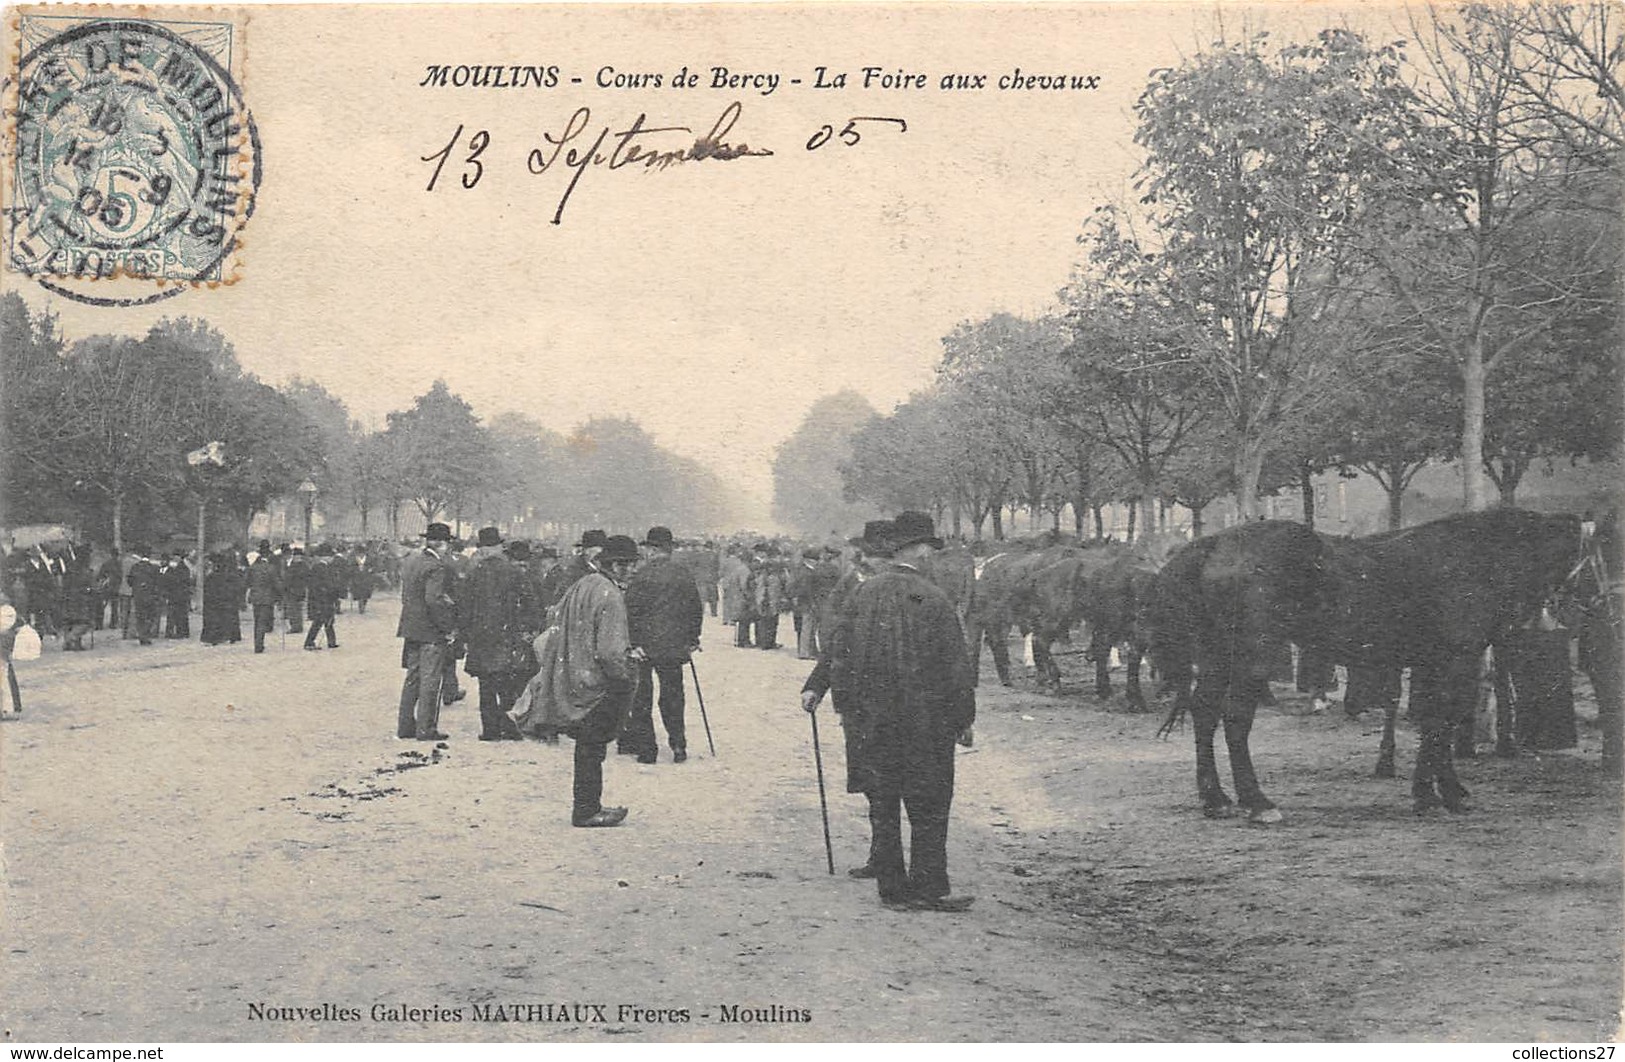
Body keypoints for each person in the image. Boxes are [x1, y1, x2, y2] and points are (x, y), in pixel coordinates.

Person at [812, 511, 976, 913]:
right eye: (928, 549)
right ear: (917, 551)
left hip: (874, 722)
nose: (931, 557)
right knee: (930, 807)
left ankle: (892, 889)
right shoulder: (933, 598)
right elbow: (956, 665)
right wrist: (963, 718)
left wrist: (817, 688)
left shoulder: (863, 594)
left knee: (884, 806)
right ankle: (929, 886)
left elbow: (837, 648)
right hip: (926, 723)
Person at [801, 520, 890, 878]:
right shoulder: (850, 587)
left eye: (879, 554)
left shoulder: (918, 589)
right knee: (873, 783)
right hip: (860, 704)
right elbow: (838, 642)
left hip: (905, 703)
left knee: (905, 783)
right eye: (869, 554)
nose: (870, 560)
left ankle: (911, 865)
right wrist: (816, 685)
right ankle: (882, 855)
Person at [552, 534, 642, 827]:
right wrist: (625, 673)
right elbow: (610, 651)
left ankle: (586, 805)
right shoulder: (611, 595)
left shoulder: (583, 584)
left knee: (585, 747)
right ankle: (588, 809)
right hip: (600, 683)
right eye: (628, 566)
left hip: (576, 675)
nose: (631, 571)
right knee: (594, 747)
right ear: (616, 566)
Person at [621, 525, 704, 764]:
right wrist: (691, 639)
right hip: (674, 647)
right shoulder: (683, 574)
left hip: (645, 647)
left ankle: (648, 750)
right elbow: (694, 610)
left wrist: (633, 642)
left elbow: (631, 612)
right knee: (673, 696)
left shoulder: (641, 576)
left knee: (642, 697)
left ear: (652, 549)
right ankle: (678, 745)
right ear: (669, 549)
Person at [460, 527, 529, 741]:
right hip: (508, 636)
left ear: (482, 548)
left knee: (486, 685)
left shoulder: (474, 572)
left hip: (481, 637)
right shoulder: (514, 571)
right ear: (499, 547)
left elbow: (464, 607)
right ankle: (510, 727)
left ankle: (490, 730)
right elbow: (527, 603)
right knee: (507, 683)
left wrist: (464, 635)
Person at [396, 523, 457, 741]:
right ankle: (426, 729)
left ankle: (404, 727)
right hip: (431, 632)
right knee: (430, 680)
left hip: (411, 628)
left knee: (412, 678)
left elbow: (406, 596)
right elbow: (434, 600)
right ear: (442, 543)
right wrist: (447, 628)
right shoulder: (436, 566)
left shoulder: (412, 561)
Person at [200, 548, 244, 646]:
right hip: (221, 599)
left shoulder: (214, 575)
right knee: (223, 618)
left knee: (214, 619)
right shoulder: (225, 573)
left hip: (213, 600)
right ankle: (226, 636)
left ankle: (214, 638)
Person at [303, 544, 340, 651]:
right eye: (331, 557)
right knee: (319, 621)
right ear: (325, 557)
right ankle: (309, 642)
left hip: (325, 598)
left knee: (328, 620)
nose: (332, 559)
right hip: (321, 599)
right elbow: (319, 585)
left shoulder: (324, 567)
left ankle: (331, 641)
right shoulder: (319, 568)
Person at [246, 540, 280, 653]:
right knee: (262, 621)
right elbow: (277, 584)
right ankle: (259, 645)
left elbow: (247, 582)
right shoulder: (271, 568)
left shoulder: (252, 567)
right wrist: (281, 595)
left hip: (255, 597)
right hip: (267, 598)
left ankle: (257, 643)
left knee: (257, 621)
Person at [127, 548, 162, 646]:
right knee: (150, 616)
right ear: (150, 556)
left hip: (138, 595)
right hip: (150, 595)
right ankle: (146, 635)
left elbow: (129, 581)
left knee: (140, 616)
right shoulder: (154, 568)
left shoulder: (135, 567)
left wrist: (136, 588)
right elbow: (158, 582)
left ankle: (142, 635)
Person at [160, 550, 192, 639]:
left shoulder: (181, 568)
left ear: (179, 557)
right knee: (180, 614)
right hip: (179, 594)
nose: (174, 558)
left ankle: (179, 632)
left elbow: (178, 581)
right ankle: (181, 632)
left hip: (178, 594)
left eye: (175, 556)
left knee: (177, 614)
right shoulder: (181, 568)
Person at [281, 546, 308, 633]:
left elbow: (289, 577)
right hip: (298, 589)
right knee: (297, 609)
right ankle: (298, 626)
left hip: (293, 590)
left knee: (293, 609)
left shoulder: (296, 566)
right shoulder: (303, 565)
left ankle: (295, 627)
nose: (297, 558)